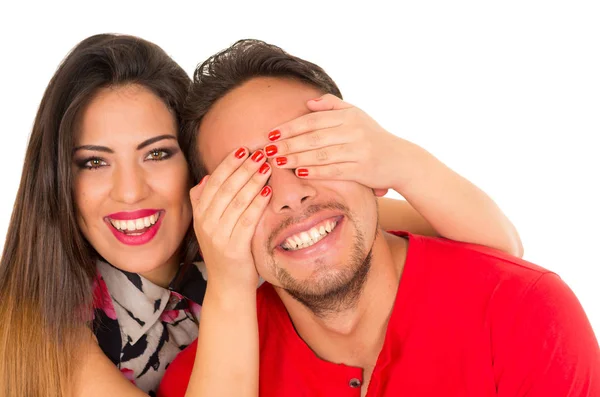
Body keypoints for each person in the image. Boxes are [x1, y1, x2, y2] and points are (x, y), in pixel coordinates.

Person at [0, 34, 522, 397]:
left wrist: (394, 157)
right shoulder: (37, 323)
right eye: (93, 162)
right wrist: (230, 282)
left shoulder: (253, 217)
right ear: (57, 182)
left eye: (157, 152)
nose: (131, 192)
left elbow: (498, 250)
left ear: (200, 167)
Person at [158, 39, 599, 397]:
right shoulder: (197, 382)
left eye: (312, 153)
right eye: (249, 181)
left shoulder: (521, 314)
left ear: (368, 159)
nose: (291, 195)